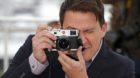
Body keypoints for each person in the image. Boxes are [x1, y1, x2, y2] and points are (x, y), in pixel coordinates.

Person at [1, 0, 135, 78]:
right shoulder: (37, 46)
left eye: (88, 31)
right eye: (73, 31)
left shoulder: (123, 67)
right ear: (60, 28)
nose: (81, 40)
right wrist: (35, 62)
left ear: (103, 29)